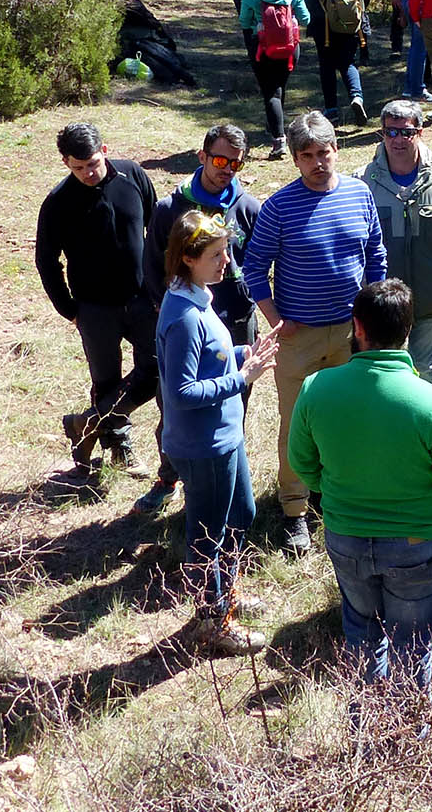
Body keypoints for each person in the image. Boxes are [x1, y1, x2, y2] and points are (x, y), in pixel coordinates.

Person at [288, 280, 432, 695]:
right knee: (413, 649)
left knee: (361, 636)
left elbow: (302, 464)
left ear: (357, 327)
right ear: (408, 332)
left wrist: (337, 493)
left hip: (346, 539)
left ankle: (365, 736)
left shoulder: (315, 389)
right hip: (420, 546)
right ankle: (406, 743)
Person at [242, 112, 388, 555]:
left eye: (323, 153)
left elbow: (376, 256)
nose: (317, 163)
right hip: (297, 338)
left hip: (351, 335)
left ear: (336, 151)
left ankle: (339, 493)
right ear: (294, 159)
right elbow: (252, 269)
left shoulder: (360, 194)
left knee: (347, 417)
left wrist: (372, 323)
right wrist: (275, 320)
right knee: (296, 422)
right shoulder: (278, 206)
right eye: (306, 156)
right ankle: (294, 510)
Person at [157, 208, 281, 656]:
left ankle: (225, 595)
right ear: (188, 259)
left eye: (226, 250)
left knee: (241, 514)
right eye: (216, 254)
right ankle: (211, 623)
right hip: (203, 444)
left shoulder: (197, 296)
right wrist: (242, 377)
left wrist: (244, 350)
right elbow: (182, 389)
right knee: (208, 532)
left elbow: (211, 356)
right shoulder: (184, 316)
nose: (225, 261)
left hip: (225, 435)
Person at [140, 123, 264, 514]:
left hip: (235, 318)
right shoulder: (169, 209)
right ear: (202, 156)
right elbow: (151, 267)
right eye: (221, 159)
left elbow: (258, 263)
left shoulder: (248, 207)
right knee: (176, 405)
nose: (227, 168)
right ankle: (169, 477)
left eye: (236, 162)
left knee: (233, 400)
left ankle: (228, 475)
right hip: (188, 321)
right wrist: (170, 312)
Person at [36, 122, 160, 481]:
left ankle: (85, 423)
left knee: (153, 371)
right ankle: (119, 446)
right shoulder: (59, 202)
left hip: (142, 300)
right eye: (78, 167)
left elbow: (156, 231)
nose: (88, 173)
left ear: (104, 151)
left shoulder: (133, 175)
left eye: (93, 163)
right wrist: (69, 310)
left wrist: (161, 289)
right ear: (65, 163)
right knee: (106, 379)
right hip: (94, 308)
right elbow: (46, 260)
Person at [359, 101, 432, 382]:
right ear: (382, 134)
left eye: (406, 132)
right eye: (391, 132)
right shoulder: (363, 181)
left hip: (431, 296)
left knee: (425, 372)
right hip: (381, 301)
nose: (398, 139)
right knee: (382, 373)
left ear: (420, 132)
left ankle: (421, 425)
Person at [237, 0, 310, 159]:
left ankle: (278, 139)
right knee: (280, 87)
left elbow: (243, 21)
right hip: (290, 48)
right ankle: (276, 126)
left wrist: (257, 24)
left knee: (271, 92)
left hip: (263, 48)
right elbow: (306, 19)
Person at [304, 0, 371, 125]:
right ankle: (356, 97)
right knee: (348, 62)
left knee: (327, 65)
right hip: (351, 25)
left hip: (323, 27)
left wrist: (321, 16)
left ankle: (332, 110)